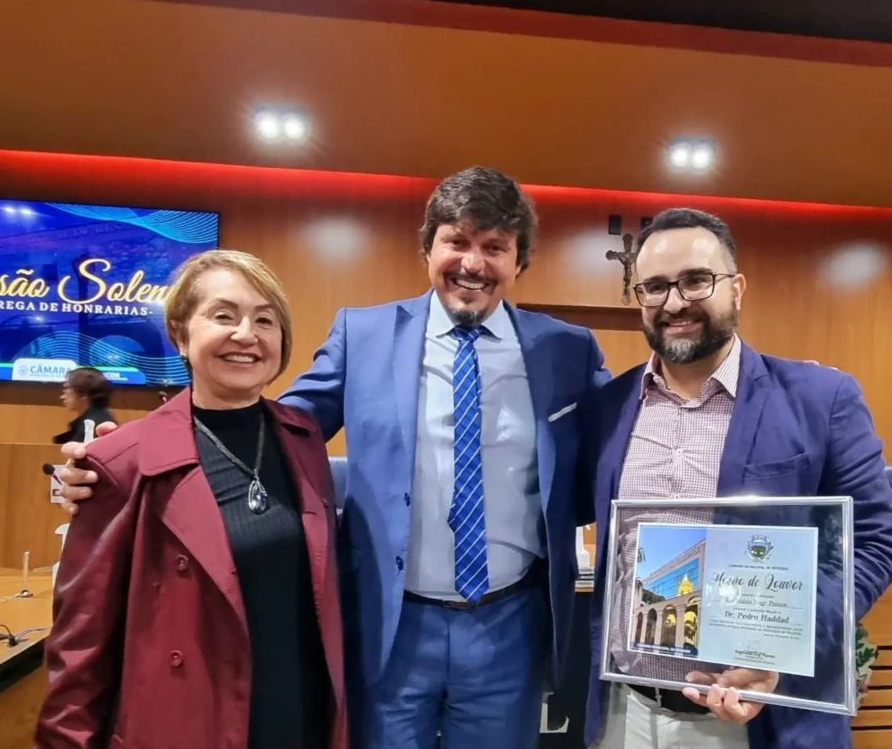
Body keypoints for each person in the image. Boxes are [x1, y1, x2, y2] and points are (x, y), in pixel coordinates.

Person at [56, 166, 609, 748]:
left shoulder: (565, 350)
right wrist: (128, 460)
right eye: (457, 241)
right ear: (428, 249)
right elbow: (271, 431)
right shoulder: (363, 335)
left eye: (495, 247)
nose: (473, 262)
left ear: (519, 262)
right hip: (390, 625)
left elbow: (617, 440)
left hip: (510, 625)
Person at [580, 208, 892, 749]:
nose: (675, 302)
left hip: (760, 718)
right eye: (656, 286)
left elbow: (874, 541)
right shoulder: (608, 407)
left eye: (696, 280)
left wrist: (782, 645)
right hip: (624, 712)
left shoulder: (822, 400)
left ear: (737, 288)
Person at [35, 250, 348, 749]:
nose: (246, 334)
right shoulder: (121, 461)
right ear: (180, 334)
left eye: (265, 320)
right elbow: (81, 643)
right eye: (223, 316)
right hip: (187, 727)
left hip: (301, 722)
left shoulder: (303, 439)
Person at [52, 366, 116, 444]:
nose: (62, 396)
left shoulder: (91, 426)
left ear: (83, 394)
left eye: (67, 388)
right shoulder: (101, 417)